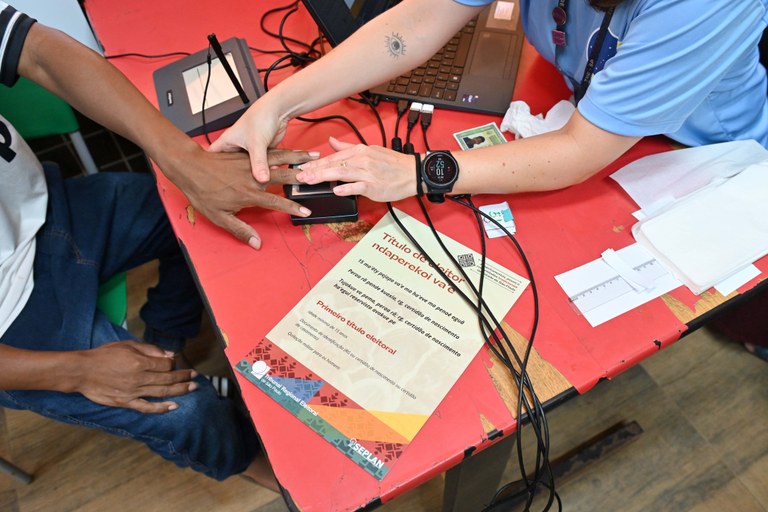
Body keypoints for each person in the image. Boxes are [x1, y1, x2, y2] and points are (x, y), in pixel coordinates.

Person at [210, 0, 768, 354]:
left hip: (703, 160)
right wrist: (278, 104)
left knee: (721, 312)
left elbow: (581, 150)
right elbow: (413, 25)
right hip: (593, 124)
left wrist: (420, 172)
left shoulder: (709, 6)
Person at [0, 3, 314, 487]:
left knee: (193, 219)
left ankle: (169, 343)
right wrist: (75, 372)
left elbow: (40, 52)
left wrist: (185, 161)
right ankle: (256, 467)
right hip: (12, 320)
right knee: (187, 413)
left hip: (48, 210)